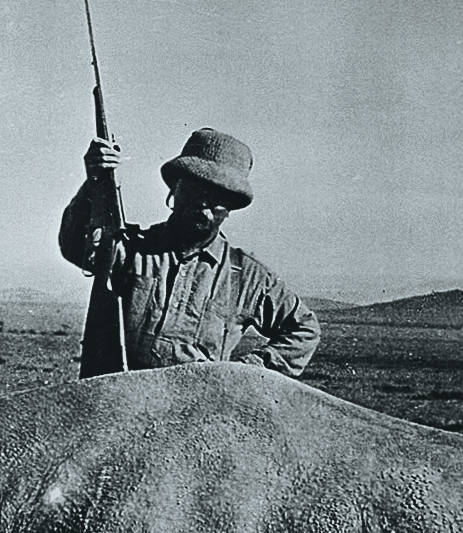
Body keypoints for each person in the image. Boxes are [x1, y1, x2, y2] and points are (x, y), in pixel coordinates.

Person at [60, 127, 320, 379]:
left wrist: (245, 373)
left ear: (230, 207)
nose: (204, 202)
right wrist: (94, 181)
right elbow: (75, 246)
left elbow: (304, 329)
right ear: (175, 188)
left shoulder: (248, 277)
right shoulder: (130, 249)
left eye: (219, 195)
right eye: (195, 187)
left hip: (197, 416)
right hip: (118, 405)